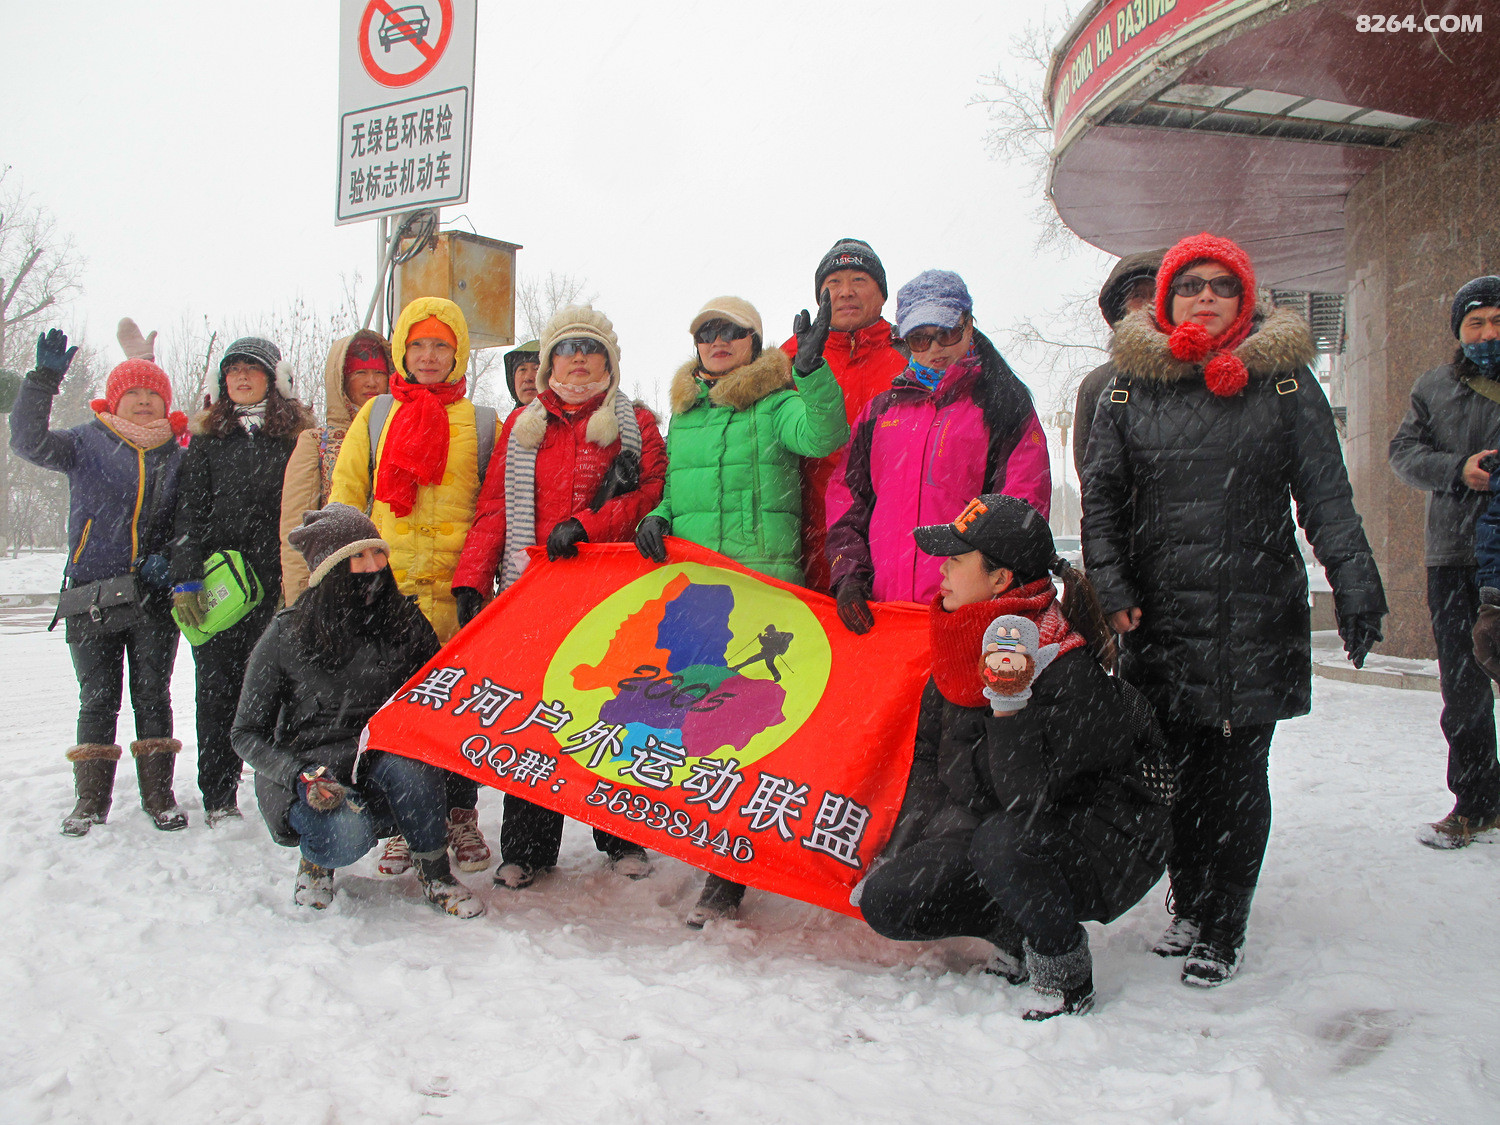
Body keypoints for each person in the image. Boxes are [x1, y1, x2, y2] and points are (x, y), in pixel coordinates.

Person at [1082, 232, 1386, 987]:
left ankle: (1225, 920)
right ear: (1168, 301)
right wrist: (1111, 589)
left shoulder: (1284, 385)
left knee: (1239, 776)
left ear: (1246, 299)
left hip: (1253, 614)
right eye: (1191, 287)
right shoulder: (1127, 389)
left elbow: (1326, 498)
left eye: (1222, 285)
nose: (1206, 297)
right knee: (1174, 771)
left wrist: (1355, 581)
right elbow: (1103, 504)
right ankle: (1188, 900)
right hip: (1159, 620)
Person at [858, 495, 1170, 1019]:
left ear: (1001, 580)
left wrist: (1009, 707)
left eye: (958, 560)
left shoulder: (1064, 667)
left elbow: (1027, 797)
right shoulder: (958, 651)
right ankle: (1021, 932)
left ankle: (1063, 969)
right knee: (888, 900)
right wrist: (902, 851)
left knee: (1001, 844)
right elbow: (932, 772)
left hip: (1102, 842)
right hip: (1003, 824)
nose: (944, 570)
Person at [636, 294, 850, 925]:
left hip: (764, 592)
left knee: (753, 728)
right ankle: (713, 850)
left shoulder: (778, 403)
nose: (718, 340)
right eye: (706, 332)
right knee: (702, 731)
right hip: (699, 596)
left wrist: (811, 374)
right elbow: (675, 493)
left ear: (755, 342)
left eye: (732, 331)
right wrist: (656, 517)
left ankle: (730, 873)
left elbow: (826, 435)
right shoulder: (687, 417)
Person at [453, 304, 667, 889]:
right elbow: (494, 509)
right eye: (567, 349)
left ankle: (623, 836)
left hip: (609, 594)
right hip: (533, 593)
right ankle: (527, 847)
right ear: (549, 362)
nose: (578, 359)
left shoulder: (637, 422)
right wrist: (472, 580)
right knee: (533, 723)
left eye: (590, 349)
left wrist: (589, 524)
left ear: (609, 362)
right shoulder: (522, 427)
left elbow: (652, 497)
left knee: (614, 717)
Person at [232, 504, 484, 916]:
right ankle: (316, 862)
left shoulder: (405, 620)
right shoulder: (287, 633)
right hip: (313, 772)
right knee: (346, 833)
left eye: (378, 553)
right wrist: (298, 776)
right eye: (359, 556)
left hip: (382, 757)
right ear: (331, 570)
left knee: (415, 769)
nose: (374, 566)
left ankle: (435, 874)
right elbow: (245, 733)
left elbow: (441, 696)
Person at [328, 297, 495, 876]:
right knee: (395, 713)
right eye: (418, 345)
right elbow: (345, 501)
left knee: (457, 713)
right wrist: (347, 581)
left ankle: (458, 814)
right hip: (386, 595)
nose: (429, 357)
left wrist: (480, 579)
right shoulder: (375, 416)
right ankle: (404, 820)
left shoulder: (480, 422)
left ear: (458, 353)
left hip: (455, 593)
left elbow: (491, 509)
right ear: (403, 350)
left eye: (441, 346)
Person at [11, 329, 190, 834]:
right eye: (133, 392)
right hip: (91, 595)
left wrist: (169, 561)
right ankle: (90, 802)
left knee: (153, 697)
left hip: (153, 598)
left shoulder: (176, 456)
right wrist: (43, 382)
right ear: (115, 398)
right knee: (97, 700)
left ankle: (160, 798)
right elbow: (26, 442)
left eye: (152, 394)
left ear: (164, 402)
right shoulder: (84, 443)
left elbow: (189, 523)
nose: (142, 400)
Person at [825, 270, 1050, 632]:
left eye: (946, 333)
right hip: (887, 614)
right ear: (903, 340)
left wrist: (994, 590)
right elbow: (847, 501)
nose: (934, 349)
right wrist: (849, 576)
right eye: (919, 339)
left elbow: (1022, 506)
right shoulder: (880, 412)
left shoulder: (1002, 404)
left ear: (969, 324)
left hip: (969, 615)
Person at [171, 336, 314, 825]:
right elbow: (187, 513)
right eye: (232, 370)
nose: (241, 377)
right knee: (216, 694)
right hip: (223, 587)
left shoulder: (298, 437)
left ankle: (283, 791)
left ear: (274, 379)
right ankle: (218, 796)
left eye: (252, 369)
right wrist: (186, 578)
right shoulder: (207, 440)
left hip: (282, 583)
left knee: (282, 697)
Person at [1391, 275, 1500, 848]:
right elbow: (1403, 455)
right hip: (1455, 555)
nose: (1487, 333)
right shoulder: (1433, 387)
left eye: (1497, 321)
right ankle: (1477, 802)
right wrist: (1459, 469)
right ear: (1458, 330)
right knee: (1463, 687)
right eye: (1475, 323)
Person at [781, 239, 908, 593]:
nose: (846, 292)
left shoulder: (917, 353)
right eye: (834, 282)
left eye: (859, 280)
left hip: (898, 543)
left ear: (882, 295)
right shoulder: (788, 360)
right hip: (810, 550)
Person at [278, 330, 392, 604]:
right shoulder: (316, 443)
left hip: (387, 584)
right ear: (341, 379)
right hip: (333, 592)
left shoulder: (398, 436)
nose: (372, 382)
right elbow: (296, 533)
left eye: (379, 373)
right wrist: (300, 602)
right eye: (360, 373)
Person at [1073, 250, 1163, 477]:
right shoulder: (1099, 385)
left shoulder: (1208, 374)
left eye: (1158, 294)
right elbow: (1092, 474)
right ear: (1122, 310)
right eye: (1138, 296)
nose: (1149, 305)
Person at [504, 340, 540, 407]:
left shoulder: (564, 416)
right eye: (522, 369)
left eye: (536, 369)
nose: (528, 378)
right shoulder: (513, 417)